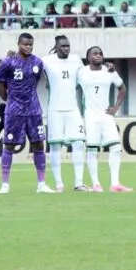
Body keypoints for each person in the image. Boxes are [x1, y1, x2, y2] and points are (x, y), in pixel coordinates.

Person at [0, 33, 52, 194]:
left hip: (33, 109)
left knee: (38, 144)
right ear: (18, 44)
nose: (28, 47)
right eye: (25, 44)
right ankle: (5, 185)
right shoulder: (8, 62)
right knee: (10, 145)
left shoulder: (37, 62)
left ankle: (41, 184)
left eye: (30, 44)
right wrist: (7, 98)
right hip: (14, 111)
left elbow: (36, 81)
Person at [76, 47, 129, 192]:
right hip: (90, 116)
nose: (98, 55)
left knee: (116, 148)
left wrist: (116, 107)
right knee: (92, 150)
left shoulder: (109, 71)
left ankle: (115, 184)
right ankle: (96, 184)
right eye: (95, 53)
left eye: (100, 53)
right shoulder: (81, 72)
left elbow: (122, 88)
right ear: (88, 57)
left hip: (106, 115)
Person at [42, 34, 87, 192]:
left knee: (78, 144)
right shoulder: (46, 60)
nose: (66, 48)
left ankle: (78, 183)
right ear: (56, 47)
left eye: (68, 46)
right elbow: (30, 67)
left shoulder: (76, 60)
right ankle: (59, 184)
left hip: (73, 109)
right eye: (63, 46)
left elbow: (83, 79)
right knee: (55, 146)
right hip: (54, 110)